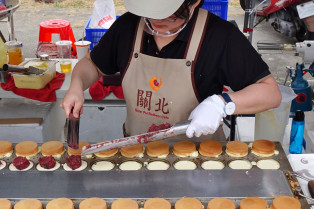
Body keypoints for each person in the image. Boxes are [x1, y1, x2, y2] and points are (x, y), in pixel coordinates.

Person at [61, 0, 281, 140]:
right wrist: (76, 86)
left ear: (194, 3)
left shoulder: (220, 36)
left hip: (199, 162)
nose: (156, 22)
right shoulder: (127, 26)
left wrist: (222, 104)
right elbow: (92, 64)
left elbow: (270, 93)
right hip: (137, 156)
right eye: (150, 13)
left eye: (170, 16)